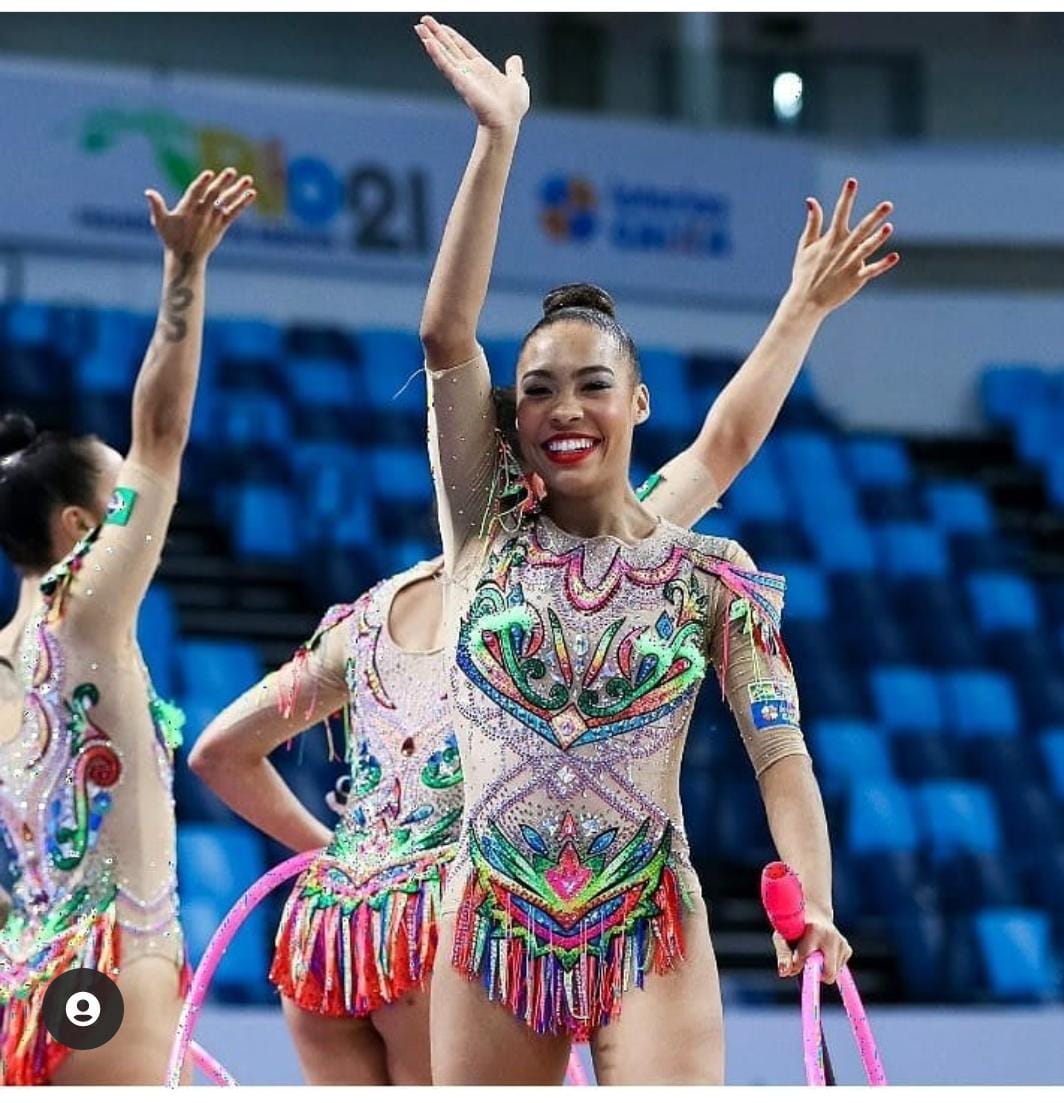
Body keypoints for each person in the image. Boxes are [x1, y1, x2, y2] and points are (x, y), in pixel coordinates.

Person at [414, 15, 897, 1086]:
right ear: (511, 417)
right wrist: (496, 143)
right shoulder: (484, 529)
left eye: (592, 383)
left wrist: (809, 893)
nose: (562, 406)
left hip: (652, 921)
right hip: (490, 915)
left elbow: (782, 756)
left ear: (636, 401)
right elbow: (448, 336)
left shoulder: (705, 574)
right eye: (536, 388)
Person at [0, 168, 256, 1085]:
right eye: (118, 495)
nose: (142, 508)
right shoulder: (91, 611)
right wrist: (184, 270)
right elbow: (162, 431)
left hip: (30, 979)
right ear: (79, 527)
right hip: (115, 963)